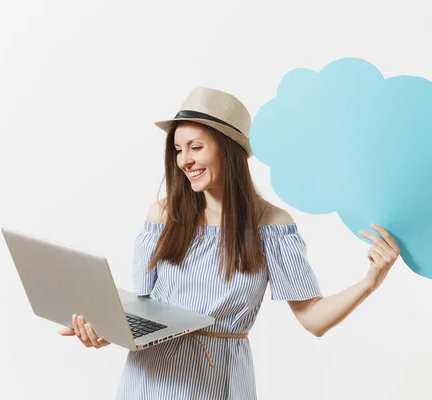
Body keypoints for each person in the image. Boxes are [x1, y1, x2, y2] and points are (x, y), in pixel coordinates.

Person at [59, 87, 401, 399]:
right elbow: (144, 308)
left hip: (218, 381)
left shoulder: (271, 226)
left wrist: (370, 282)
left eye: (196, 147)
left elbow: (313, 318)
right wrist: (105, 327)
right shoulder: (163, 215)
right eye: (179, 150)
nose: (184, 161)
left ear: (228, 150)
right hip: (150, 381)